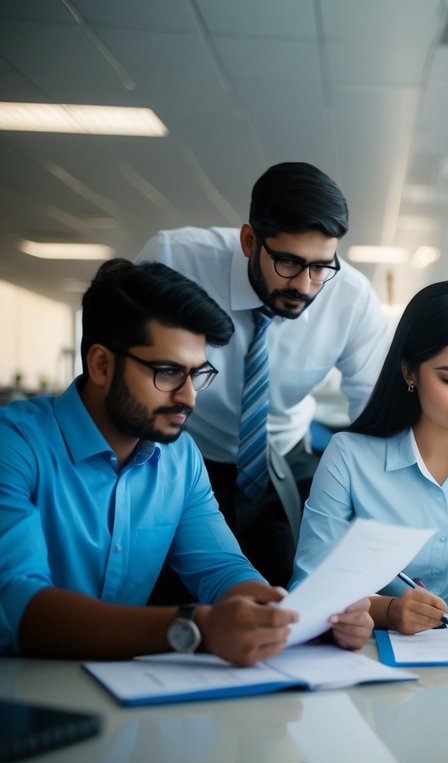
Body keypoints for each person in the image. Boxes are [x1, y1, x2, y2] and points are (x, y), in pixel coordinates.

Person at [0, 259, 371, 663]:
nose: (189, 397)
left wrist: (285, 617)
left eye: (197, 374)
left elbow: (221, 569)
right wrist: (197, 628)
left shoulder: (180, 457)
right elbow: (23, 607)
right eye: (167, 372)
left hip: (120, 693)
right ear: (101, 364)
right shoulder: (14, 444)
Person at [137, 162, 389, 589]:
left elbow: (378, 417)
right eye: (289, 262)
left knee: (290, 587)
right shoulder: (173, 260)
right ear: (249, 240)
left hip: (281, 455)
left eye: (321, 267)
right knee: (169, 586)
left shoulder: (351, 297)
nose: (306, 285)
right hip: (181, 449)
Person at [291, 281, 448, 635]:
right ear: (409, 371)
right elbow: (309, 587)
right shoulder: (348, 457)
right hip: (374, 665)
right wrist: (388, 610)